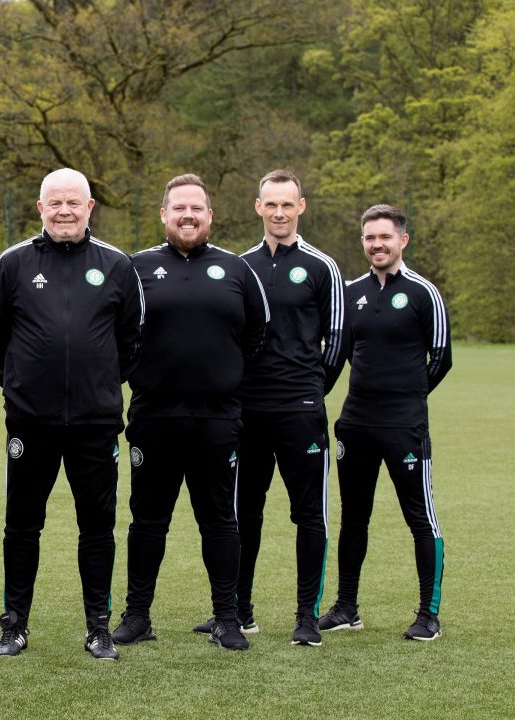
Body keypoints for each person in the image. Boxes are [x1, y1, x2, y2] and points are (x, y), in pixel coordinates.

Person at [0, 168, 143, 661]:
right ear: (40, 208)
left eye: (74, 203)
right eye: (55, 203)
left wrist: (97, 386)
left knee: (96, 526)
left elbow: (131, 341)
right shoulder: (12, 263)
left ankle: (98, 627)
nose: (65, 211)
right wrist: (19, 385)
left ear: (90, 207)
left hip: (96, 424)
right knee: (21, 525)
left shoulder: (116, 265)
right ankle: (15, 625)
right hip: (31, 422)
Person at [113, 173, 268, 651]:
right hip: (153, 417)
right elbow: (117, 335)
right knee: (147, 521)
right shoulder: (135, 267)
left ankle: (226, 618)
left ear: (209, 215)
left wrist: (223, 377)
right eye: (178, 208)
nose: (187, 215)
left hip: (216, 420)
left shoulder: (238, 271)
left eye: (196, 208)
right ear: (163, 215)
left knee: (220, 520)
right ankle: (137, 616)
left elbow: (257, 337)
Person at [190, 170, 344, 647]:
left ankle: (305, 616)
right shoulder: (241, 266)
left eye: (287, 205)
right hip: (247, 412)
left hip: (300, 411)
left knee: (309, 515)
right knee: (242, 514)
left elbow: (337, 342)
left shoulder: (323, 267)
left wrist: (311, 388)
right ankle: (240, 611)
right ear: (258, 207)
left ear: (301, 207)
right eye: (270, 205)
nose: (279, 213)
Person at [321, 204, 451, 641]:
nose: (377, 244)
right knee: (353, 519)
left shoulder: (423, 292)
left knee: (421, 519)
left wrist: (407, 396)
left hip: (404, 426)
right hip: (356, 424)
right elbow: (336, 355)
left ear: (403, 240)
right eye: (370, 238)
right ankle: (346, 607)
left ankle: (428, 615)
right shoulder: (350, 291)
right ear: (363, 242)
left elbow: (441, 359)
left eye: (385, 237)